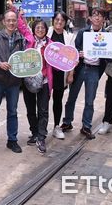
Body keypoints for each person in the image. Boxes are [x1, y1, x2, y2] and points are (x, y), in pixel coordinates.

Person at [60, 8, 110, 139]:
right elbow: (74, 51)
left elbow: (110, 58)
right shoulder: (83, 32)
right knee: (72, 97)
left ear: (104, 19)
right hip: (81, 68)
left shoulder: (107, 35)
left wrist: (106, 53)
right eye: (95, 15)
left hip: (94, 70)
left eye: (100, 16)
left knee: (89, 100)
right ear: (90, 18)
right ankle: (67, 122)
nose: (97, 18)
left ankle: (86, 126)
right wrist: (79, 53)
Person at [0, 9, 26, 154]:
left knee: (13, 111)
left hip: (14, 81)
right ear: (3, 21)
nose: (11, 22)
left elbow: (24, 59)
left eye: (14, 20)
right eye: (8, 20)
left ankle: (12, 140)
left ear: (17, 22)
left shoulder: (21, 39)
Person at [15, 7, 53, 154]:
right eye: (37, 27)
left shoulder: (51, 45)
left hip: (44, 81)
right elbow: (21, 26)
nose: (40, 30)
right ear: (33, 29)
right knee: (30, 109)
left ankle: (41, 137)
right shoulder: (29, 40)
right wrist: (19, 14)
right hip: (28, 80)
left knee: (43, 110)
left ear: (46, 30)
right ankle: (35, 132)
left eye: (42, 28)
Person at [46, 11, 75, 140]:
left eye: (62, 20)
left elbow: (72, 57)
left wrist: (70, 74)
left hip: (60, 74)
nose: (59, 22)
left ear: (65, 22)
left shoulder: (69, 37)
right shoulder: (46, 32)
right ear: (53, 21)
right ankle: (39, 128)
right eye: (57, 20)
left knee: (58, 101)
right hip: (46, 73)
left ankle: (57, 126)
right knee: (43, 102)